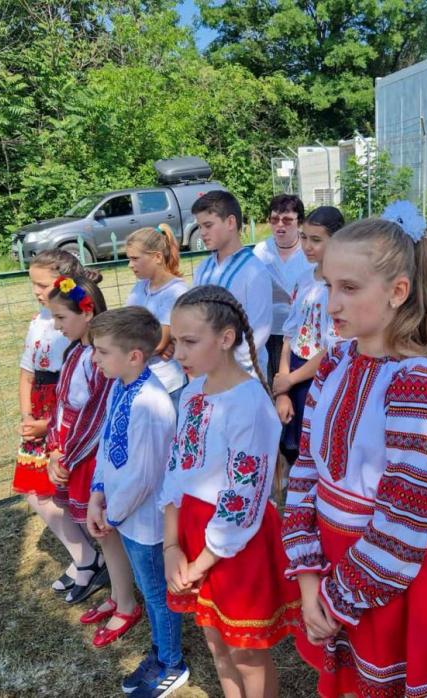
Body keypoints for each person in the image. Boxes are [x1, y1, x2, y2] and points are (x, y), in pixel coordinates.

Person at [282, 205, 427, 698]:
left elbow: (407, 514)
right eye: (328, 285)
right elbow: (306, 472)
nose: (331, 303)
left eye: (349, 288)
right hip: (330, 563)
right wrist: (308, 576)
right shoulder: (335, 360)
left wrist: (338, 598)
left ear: (397, 292)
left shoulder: (417, 383)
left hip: (387, 577)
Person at [161, 285, 301, 698]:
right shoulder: (192, 392)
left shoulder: (249, 405)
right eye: (177, 341)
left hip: (232, 544)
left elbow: (243, 498)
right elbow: (176, 470)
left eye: (189, 342)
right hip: (190, 531)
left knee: (245, 651)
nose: (178, 353)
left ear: (225, 339)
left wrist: (200, 562)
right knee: (215, 641)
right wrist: (172, 547)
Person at [87, 307, 189, 696]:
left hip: (144, 520)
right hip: (121, 513)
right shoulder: (120, 386)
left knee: (157, 595)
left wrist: (111, 513)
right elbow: (107, 441)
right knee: (151, 590)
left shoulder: (150, 403)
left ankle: (171, 662)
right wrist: (97, 493)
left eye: (102, 351)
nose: (95, 358)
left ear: (133, 355)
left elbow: (144, 477)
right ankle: (162, 650)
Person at [11, 250, 99, 596]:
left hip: (61, 418)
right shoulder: (39, 321)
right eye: (32, 283)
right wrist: (27, 416)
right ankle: (84, 556)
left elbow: (79, 391)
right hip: (39, 413)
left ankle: (88, 558)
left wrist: (48, 424)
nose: (35, 290)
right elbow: (26, 372)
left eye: (42, 283)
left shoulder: (73, 324)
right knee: (37, 492)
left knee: (58, 491)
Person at [44, 274, 116, 606]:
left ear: (86, 313)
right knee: (92, 523)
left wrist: (67, 455)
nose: (56, 325)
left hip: (88, 454)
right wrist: (54, 447)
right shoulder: (75, 353)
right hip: (69, 450)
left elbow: (95, 415)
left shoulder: (99, 361)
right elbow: (62, 405)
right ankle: (109, 578)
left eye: (61, 317)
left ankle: (122, 590)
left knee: (105, 525)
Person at [272, 205, 344, 464]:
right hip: (294, 370)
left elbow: (333, 348)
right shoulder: (303, 279)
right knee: (292, 447)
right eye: (304, 237)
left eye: (316, 240)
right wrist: (283, 385)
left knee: (315, 448)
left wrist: (290, 380)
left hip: (320, 375)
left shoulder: (339, 285)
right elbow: (289, 334)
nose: (307, 246)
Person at [191, 190, 272, 378]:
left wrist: (222, 365)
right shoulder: (204, 268)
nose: (202, 233)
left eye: (208, 225)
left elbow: (258, 331)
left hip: (242, 375)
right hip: (207, 370)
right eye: (200, 226)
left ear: (230, 222)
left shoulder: (254, 271)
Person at [124, 225, 189, 412]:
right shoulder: (139, 289)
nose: (130, 264)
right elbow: (124, 328)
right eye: (129, 259)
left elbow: (159, 342)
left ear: (157, 257)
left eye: (135, 258)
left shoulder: (175, 292)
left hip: (167, 384)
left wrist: (161, 343)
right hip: (142, 380)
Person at [253, 194, 313, 382]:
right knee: (268, 383)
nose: (280, 225)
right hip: (267, 331)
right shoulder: (261, 251)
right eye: (274, 219)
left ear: (299, 222)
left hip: (300, 333)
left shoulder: (308, 251)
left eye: (287, 220)